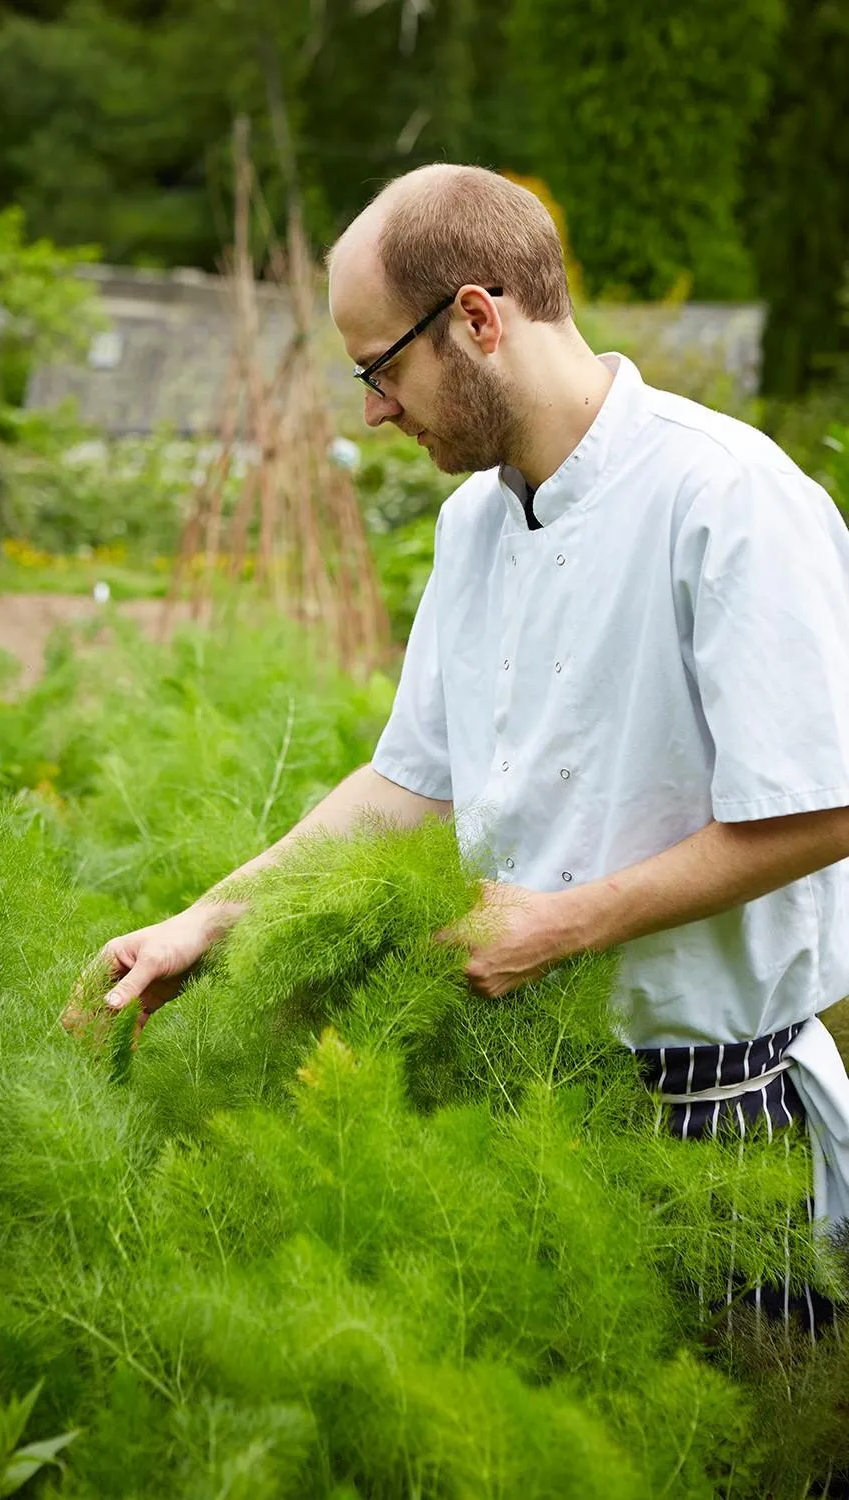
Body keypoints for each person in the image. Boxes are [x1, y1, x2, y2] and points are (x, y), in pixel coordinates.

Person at [86, 164, 849, 1331]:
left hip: (709, 1110)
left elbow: (822, 806)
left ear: (477, 320)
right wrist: (215, 914)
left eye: (379, 368)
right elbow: (412, 782)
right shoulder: (473, 520)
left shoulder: (728, 497)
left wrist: (557, 924)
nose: (373, 411)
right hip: (519, 1089)